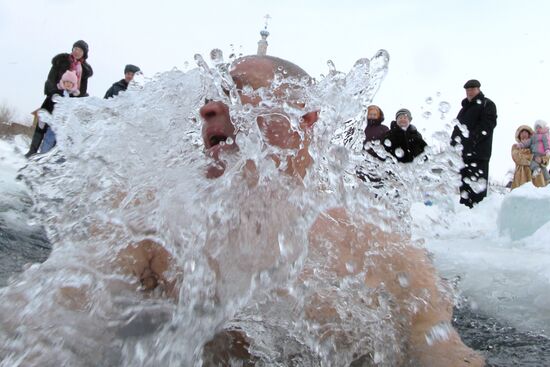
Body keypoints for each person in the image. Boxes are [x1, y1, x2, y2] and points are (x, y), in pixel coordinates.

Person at [120, 55, 483, 366]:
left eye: (235, 90)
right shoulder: (154, 233)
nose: (208, 109)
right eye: (211, 98)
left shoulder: (378, 247)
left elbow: (443, 351)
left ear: (304, 116)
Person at [25, 40, 93, 158]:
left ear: (84, 54)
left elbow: (82, 89)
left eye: (80, 50)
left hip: (68, 103)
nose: (77, 52)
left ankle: (48, 156)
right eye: (75, 48)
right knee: (42, 123)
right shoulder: (61, 60)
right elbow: (51, 78)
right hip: (54, 97)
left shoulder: (84, 70)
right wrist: (53, 91)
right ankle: (32, 150)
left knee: (59, 129)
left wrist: (78, 100)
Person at [450, 79, 497, 208]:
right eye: (468, 90)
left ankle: (478, 215)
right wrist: (453, 145)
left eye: (472, 89)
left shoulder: (487, 104)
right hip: (463, 155)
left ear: (479, 89)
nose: (470, 92)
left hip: (479, 154)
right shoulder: (464, 109)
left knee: (477, 189)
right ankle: (465, 215)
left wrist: (471, 139)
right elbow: (457, 129)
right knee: (464, 189)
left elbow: (487, 125)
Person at [39, 70, 81, 153]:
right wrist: (42, 120)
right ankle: (42, 155)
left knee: (61, 146)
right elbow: (47, 105)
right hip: (54, 123)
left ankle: (58, 162)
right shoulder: (57, 93)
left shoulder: (73, 98)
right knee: (48, 140)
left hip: (65, 126)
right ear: (63, 82)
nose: (68, 84)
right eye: (67, 82)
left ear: (74, 85)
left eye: (71, 83)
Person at [511, 125, 548, 189]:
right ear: (519, 135)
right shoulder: (516, 146)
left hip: (537, 177)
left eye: (526, 132)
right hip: (521, 177)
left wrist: (541, 160)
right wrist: (533, 157)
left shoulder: (536, 146)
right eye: (522, 132)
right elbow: (517, 158)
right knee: (521, 195)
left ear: (529, 134)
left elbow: (546, 157)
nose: (524, 134)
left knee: (538, 195)